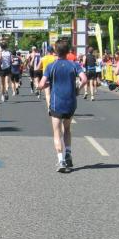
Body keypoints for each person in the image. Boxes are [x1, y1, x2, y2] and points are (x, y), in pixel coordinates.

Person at [38, 40, 86, 173]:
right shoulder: (74, 65)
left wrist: (46, 85)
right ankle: (68, 153)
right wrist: (78, 90)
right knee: (67, 129)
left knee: (57, 132)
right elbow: (84, 79)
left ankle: (61, 160)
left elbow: (41, 84)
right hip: (70, 102)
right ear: (68, 51)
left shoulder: (51, 66)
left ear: (55, 52)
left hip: (56, 102)